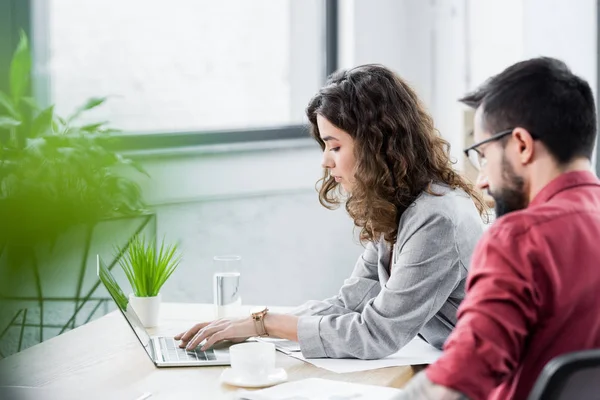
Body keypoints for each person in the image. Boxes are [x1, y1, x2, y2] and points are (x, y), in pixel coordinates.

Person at [175, 64, 486, 360]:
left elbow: (377, 333)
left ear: (376, 144)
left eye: (334, 146)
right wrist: (250, 323)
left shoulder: (437, 218)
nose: (325, 161)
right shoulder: (399, 205)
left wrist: (265, 324)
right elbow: (350, 303)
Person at [397, 57, 600, 400]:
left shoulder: (520, 239)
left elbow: (454, 383)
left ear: (521, 145)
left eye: (483, 155)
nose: (482, 181)